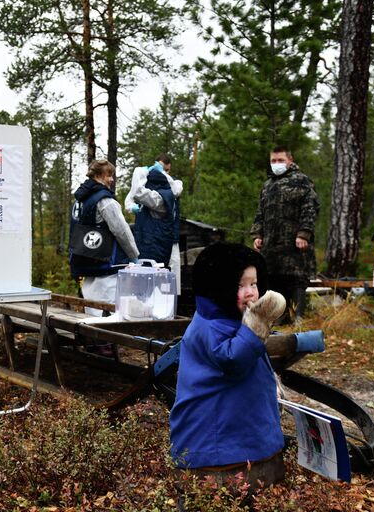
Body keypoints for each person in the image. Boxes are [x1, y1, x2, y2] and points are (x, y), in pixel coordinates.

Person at [169, 242, 287, 495]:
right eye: (240, 285)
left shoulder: (234, 321)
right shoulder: (209, 327)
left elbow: (253, 356)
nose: (250, 293)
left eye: (254, 284)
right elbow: (234, 360)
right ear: (218, 287)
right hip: (217, 451)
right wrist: (259, 323)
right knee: (223, 496)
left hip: (246, 440)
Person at [69, 159, 140, 354]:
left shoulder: (78, 201)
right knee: (107, 305)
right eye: (109, 175)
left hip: (84, 260)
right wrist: (134, 255)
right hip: (105, 261)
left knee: (90, 301)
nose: (111, 180)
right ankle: (104, 347)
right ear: (99, 176)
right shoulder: (105, 201)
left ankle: (92, 343)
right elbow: (122, 231)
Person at [250, 146, 319, 324]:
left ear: (290, 160)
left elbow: (310, 208)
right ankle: (278, 317)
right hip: (271, 243)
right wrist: (257, 234)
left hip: (294, 242)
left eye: (280, 160)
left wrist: (304, 234)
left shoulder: (302, 181)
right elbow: (260, 213)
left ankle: (298, 317)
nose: (277, 164)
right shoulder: (268, 185)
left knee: (296, 278)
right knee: (273, 278)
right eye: (273, 161)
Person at [125, 154, 183, 292]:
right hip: (147, 236)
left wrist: (142, 171)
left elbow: (176, 188)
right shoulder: (147, 184)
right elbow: (131, 197)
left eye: (166, 170)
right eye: (162, 169)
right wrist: (130, 206)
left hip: (168, 237)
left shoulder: (170, 189)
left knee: (169, 279)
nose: (164, 173)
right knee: (150, 277)